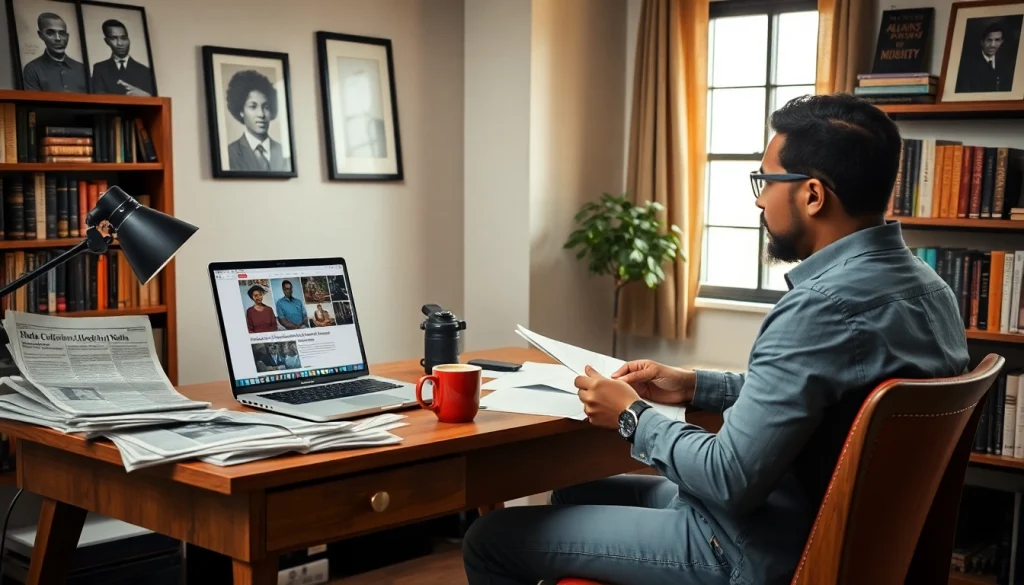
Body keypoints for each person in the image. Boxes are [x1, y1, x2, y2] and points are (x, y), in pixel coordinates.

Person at [461, 93, 971, 585]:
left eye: (767, 180)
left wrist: (632, 416)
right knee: (575, 495)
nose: (758, 197)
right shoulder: (932, 291)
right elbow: (819, 398)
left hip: (753, 550)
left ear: (813, 195)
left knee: (488, 538)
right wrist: (693, 385)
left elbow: (730, 478)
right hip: (833, 534)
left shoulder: (817, 309)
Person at [225, 70, 290, 172]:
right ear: (241, 111)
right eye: (253, 106)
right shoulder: (229, 153)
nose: (261, 114)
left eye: (266, 107)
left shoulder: (285, 152)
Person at [21, 12, 88, 93]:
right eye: (50, 33)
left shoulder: (82, 68)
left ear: (67, 36)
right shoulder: (32, 69)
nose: (58, 38)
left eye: (62, 33)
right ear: (40, 35)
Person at [90, 19, 155, 96]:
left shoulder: (145, 71)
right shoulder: (99, 68)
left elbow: (152, 100)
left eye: (124, 38)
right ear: (106, 41)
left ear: (128, 39)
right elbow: (99, 98)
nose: (120, 43)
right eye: (114, 38)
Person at [955, 21, 1016, 93]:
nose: (993, 45)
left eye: (997, 40)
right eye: (989, 40)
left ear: (1002, 41)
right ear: (982, 42)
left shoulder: (1008, 64)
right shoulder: (967, 66)